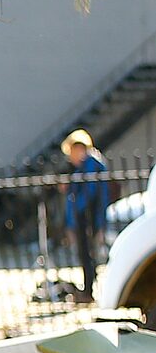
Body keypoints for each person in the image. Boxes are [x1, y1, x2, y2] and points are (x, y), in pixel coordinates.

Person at [63, 128, 113, 300]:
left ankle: (88, 290)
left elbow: (91, 193)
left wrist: (78, 208)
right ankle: (88, 289)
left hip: (89, 216)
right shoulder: (84, 168)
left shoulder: (90, 165)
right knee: (86, 253)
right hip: (87, 215)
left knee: (87, 253)